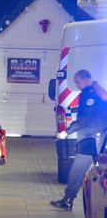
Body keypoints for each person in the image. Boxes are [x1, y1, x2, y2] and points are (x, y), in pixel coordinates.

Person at [50, 70, 107, 211]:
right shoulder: (93, 92)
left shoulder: (89, 94)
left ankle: (68, 200)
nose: (77, 84)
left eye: (78, 81)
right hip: (98, 139)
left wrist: (65, 132)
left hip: (91, 141)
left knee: (77, 170)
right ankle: (68, 199)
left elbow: (83, 121)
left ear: (85, 79)